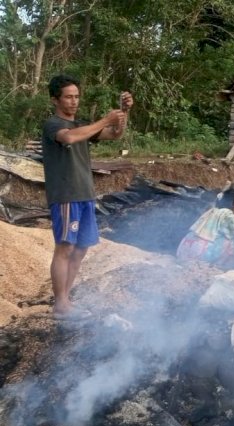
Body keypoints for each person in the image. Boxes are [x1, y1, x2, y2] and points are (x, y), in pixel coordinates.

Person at [41, 74, 133, 315]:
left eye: (77, 96)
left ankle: (66, 300)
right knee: (65, 247)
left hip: (85, 193)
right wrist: (106, 118)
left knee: (80, 248)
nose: (74, 101)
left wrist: (123, 113)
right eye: (68, 97)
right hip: (66, 194)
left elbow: (114, 134)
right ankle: (60, 302)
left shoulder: (80, 124)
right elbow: (69, 137)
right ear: (55, 100)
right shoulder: (53, 124)